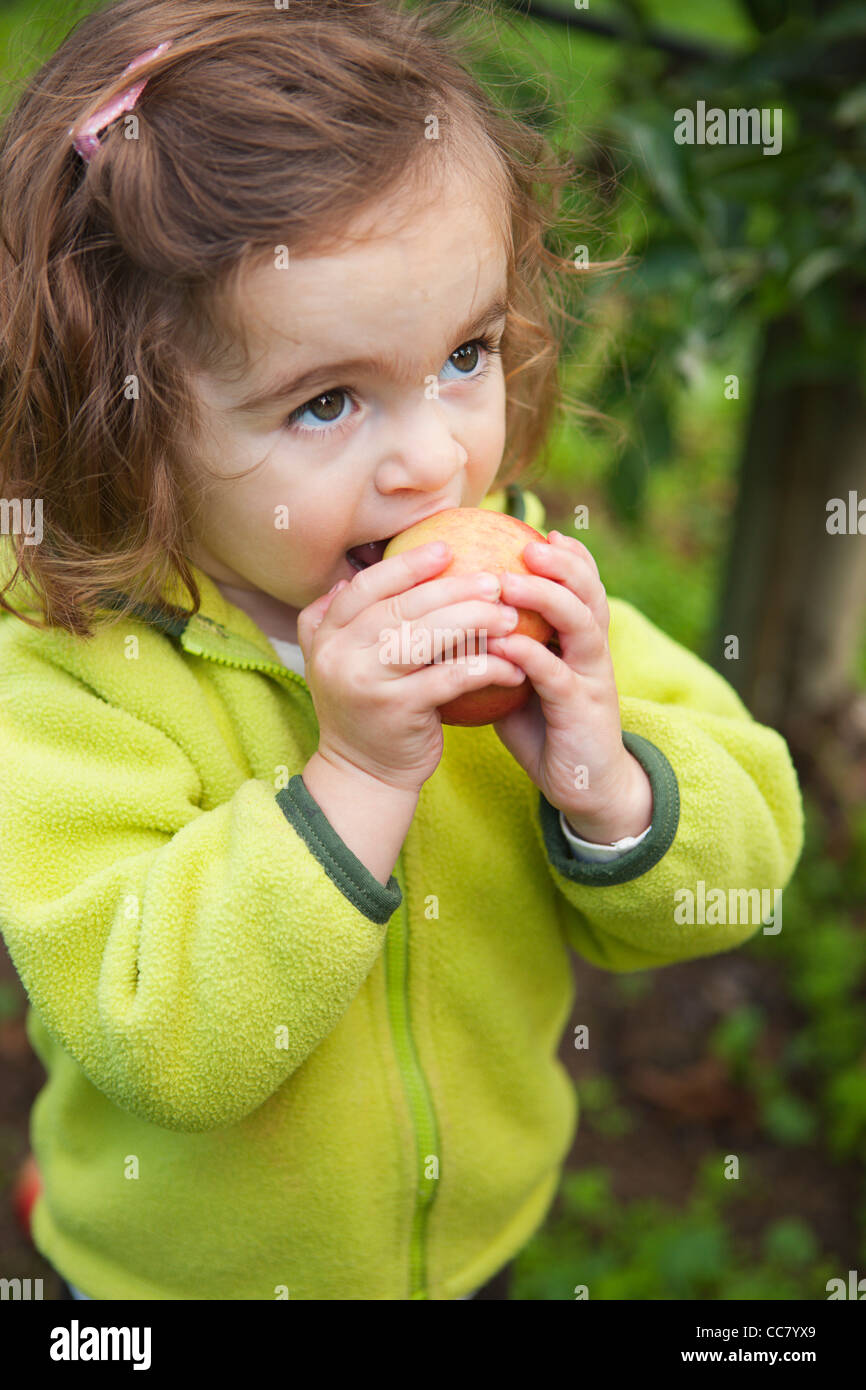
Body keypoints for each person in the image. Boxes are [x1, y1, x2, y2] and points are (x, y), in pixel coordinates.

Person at [0, 0, 803, 1301]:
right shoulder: (77, 671)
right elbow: (156, 1034)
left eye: (464, 355)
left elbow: (747, 859)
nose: (433, 457)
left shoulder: (524, 580)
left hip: (471, 1243)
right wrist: (357, 782)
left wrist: (610, 783)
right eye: (327, 401)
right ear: (127, 428)